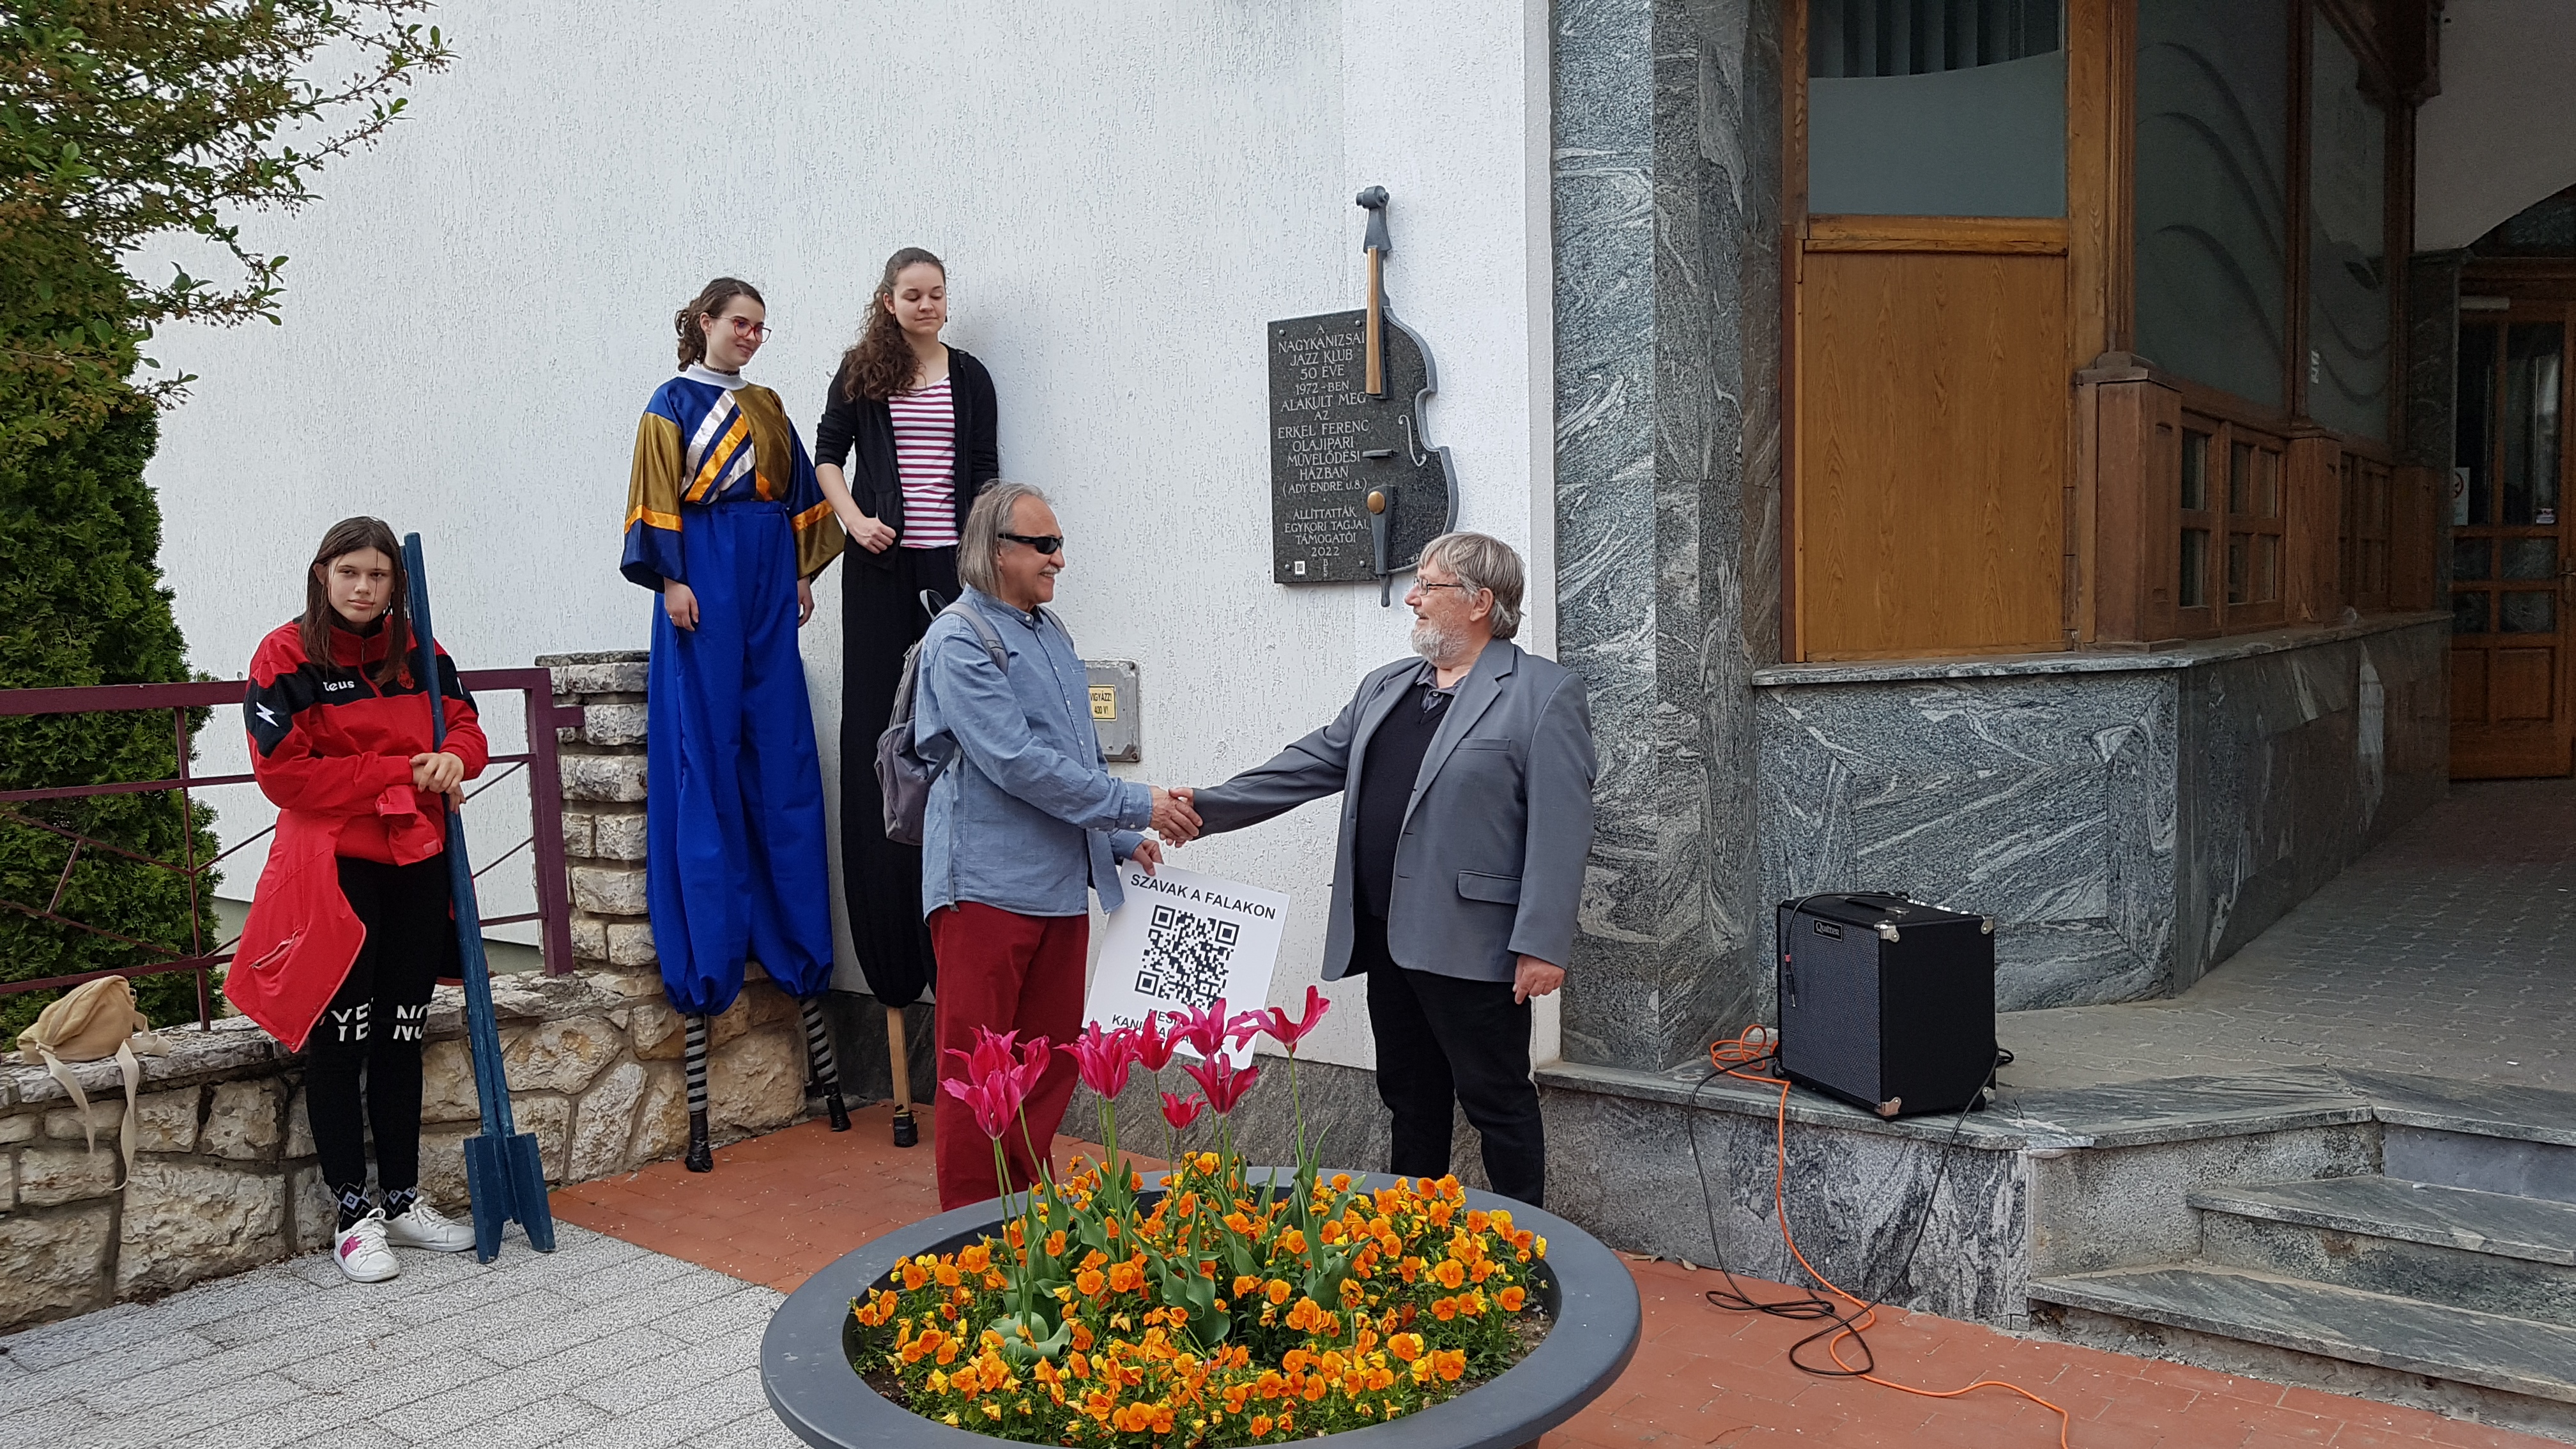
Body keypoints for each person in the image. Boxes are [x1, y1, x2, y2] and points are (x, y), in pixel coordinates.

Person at [1184, 533, 1595, 1207]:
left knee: (1496, 1100)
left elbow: (1562, 827)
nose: (1413, 597)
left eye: (1429, 585)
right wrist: (1202, 807)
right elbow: (1308, 764)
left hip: (1476, 943)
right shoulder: (1388, 686)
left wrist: (1542, 944)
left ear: (1480, 602)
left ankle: (1529, 1242)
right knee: (1408, 1095)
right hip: (1386, 936)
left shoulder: (1543, 694)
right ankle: (1410, 1231)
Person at [913, 481, 1200, 1207]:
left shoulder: (1050, 631)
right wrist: (1138, 804)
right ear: (995, 551)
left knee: (1047, 1070)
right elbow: (1016, 763)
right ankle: (973, 1237)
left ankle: (1023, 1220)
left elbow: (1077, 759)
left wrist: (1118, 838)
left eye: (1060, 544)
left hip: (1057, 893)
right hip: (984, 892)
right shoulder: (958, 638)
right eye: (1044, 545)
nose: (1059, 560)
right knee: (980, 1075)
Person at [621, 277, 851, 1172]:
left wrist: (800, 572)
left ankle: (797, 949)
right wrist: (674, 579)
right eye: (738, 322)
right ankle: (709, 960)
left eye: (760, 325)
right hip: (705, 566)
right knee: (706, 753)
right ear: (705, 323)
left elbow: (794, 497)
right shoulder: (670, 403)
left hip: (764, 568)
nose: (751, 335)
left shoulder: (768, 405)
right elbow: (656, 498)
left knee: (781, 753)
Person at [231, 517, 484, 1281]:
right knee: (340, 1039)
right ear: (323, 575)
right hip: (335, 868)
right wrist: (400, 770)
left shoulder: (421, 650)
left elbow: (466, 726)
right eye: (350, 573)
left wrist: (453, 758)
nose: (364, 588)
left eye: (378, 575)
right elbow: (285, 775)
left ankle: (401, 1200)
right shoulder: (284, 655)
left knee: (404, 1031)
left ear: (394, 583)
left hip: (418, 859)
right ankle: (352, 1214)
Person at [813, 249, 1000, 1031]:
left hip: (951, 576)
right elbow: (827, 456)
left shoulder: (971, 376)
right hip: (879, 571)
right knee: (880, 733)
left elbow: (985, 473)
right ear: (888, 301)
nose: (926, 305)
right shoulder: (864, 371)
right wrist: (855, 522)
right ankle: (889, 947)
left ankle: (955, 925)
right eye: (912, 295)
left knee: (956, 732)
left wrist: (983, 565)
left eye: (936, 294)